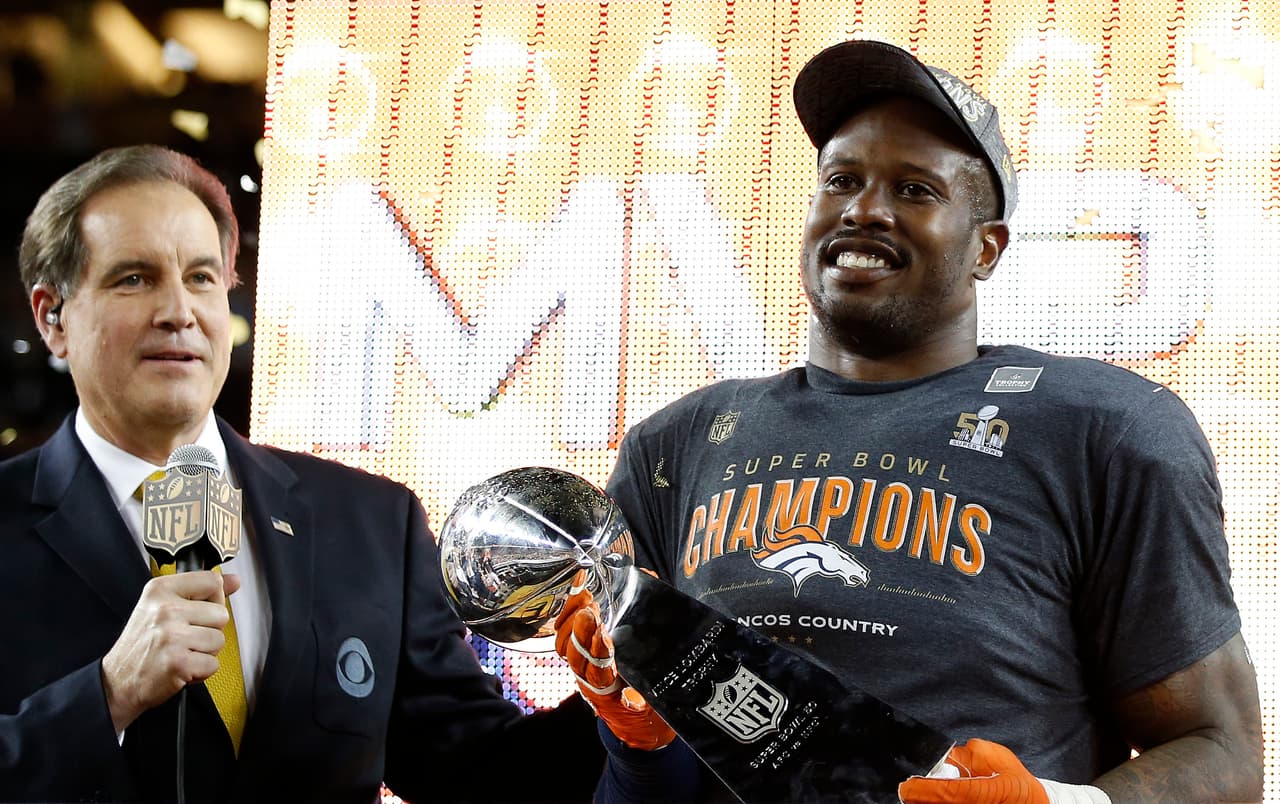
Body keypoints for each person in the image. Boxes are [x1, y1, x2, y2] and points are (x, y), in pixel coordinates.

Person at [553, 40, 1263, 803]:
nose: (864, 208)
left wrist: (1057, 803)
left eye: (916, 190)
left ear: (985, 248)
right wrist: (638, 742)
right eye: (842, 180)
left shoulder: (1106, 429)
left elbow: (1223, 755)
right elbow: (639, 776)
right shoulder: (676, 444)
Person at [1, 144, 599, 803]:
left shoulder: (371, 521)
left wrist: (622, 700)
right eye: (134, 278)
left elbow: (480, 774)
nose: (180, 311)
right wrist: (109, 694)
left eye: (201, 278)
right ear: (51, 317)